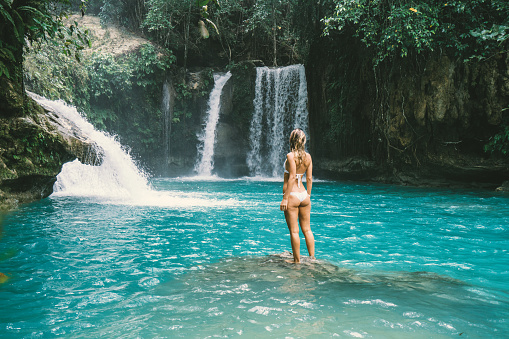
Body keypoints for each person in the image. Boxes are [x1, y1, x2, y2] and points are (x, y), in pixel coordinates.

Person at [280, 128, 314, 263]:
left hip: (292, 195)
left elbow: (292, 176)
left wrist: (285, 198)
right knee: (307, 229)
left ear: (291, 140)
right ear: (303, 141)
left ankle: (297, 261)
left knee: (294, 231)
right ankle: (312, 258)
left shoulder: (290, 156)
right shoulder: (308, 157)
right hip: (304, 194)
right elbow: (310, 178)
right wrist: (308, 195)